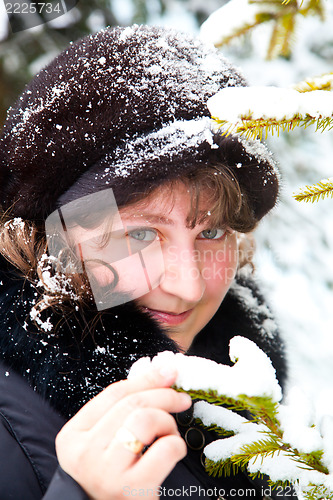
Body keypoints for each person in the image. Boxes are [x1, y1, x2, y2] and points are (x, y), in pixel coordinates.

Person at [0, 25, 288, 499]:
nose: (188, 286)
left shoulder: (242, 389)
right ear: (49, 239)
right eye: (138, 233)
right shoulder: (13, 430)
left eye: (210, 232)